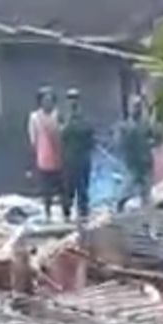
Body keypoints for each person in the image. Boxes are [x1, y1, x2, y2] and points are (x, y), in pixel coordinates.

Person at [116, 95, 157, 212]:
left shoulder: (146, 124)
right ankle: (119, 210)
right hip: (133, 163)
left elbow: (156, 138)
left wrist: (150, 143)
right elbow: (120, 143)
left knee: (146, 193)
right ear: (130, 108)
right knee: (126, 190)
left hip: (145, 162)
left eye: (138, 106)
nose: (136, 109)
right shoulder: (125, 126)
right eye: (134, 106)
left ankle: (147, 215)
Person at [27, 87, 63, 221]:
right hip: (44, 157)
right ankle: (48, 214)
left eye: (50, 100)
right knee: (46, 190)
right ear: (40, 102)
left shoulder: (58, 115)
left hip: (59, 157)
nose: (48, 103)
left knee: (62, 189)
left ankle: (66, 214)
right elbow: (33, 139)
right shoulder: (34, 117)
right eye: (45, 100)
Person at [60, 88, 95, 224]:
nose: (72, 101)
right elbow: (61, 135)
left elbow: (90, 135)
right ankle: (67, 214)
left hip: (83, 158)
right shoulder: (63, 118)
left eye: (75, 98)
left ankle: (83, 214)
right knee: (68, 188)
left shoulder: (84, 118)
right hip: (69, 158)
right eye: (70, 98)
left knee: (83, 188)